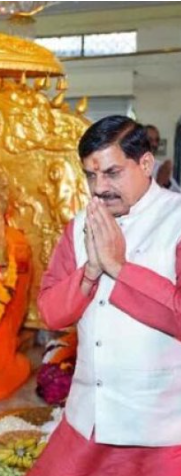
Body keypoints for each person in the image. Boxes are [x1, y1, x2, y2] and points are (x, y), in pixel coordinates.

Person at [29, 116, 181, 476]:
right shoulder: (80, 225)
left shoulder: (176, 220)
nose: (99, 188)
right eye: (91, 175)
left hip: (162, 425)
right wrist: (90, 273)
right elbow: (50, 313)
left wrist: (119, 267)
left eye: (112, 173)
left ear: (146, 163)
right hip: (88, 418)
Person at [145, 124, 181, 192]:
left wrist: (167, 183)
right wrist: (159, 183)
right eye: (150, 139)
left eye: (157, 140)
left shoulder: (161, 167)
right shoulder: (129, 164)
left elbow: (178, 193)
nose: (154, 144)